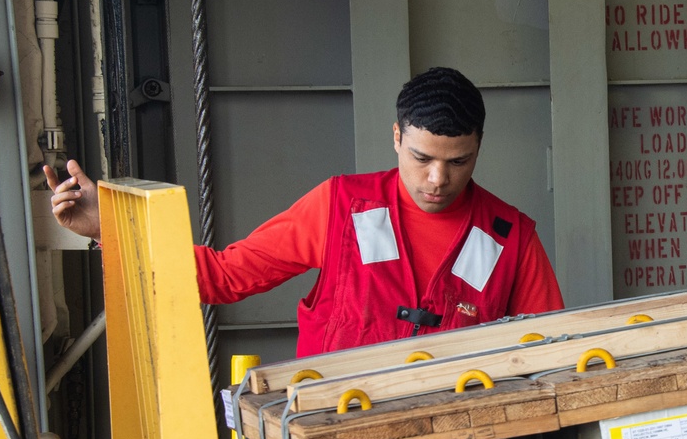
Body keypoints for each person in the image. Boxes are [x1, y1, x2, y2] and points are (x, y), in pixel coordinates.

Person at [45, 67, 564, 357]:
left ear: (479, 148)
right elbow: (223, 277)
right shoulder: (341, 207)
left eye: (459, 162)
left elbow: (549, 352)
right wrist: (108, 230)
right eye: (421, 158)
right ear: (396, 137)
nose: (437, 180)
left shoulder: (510, 238)